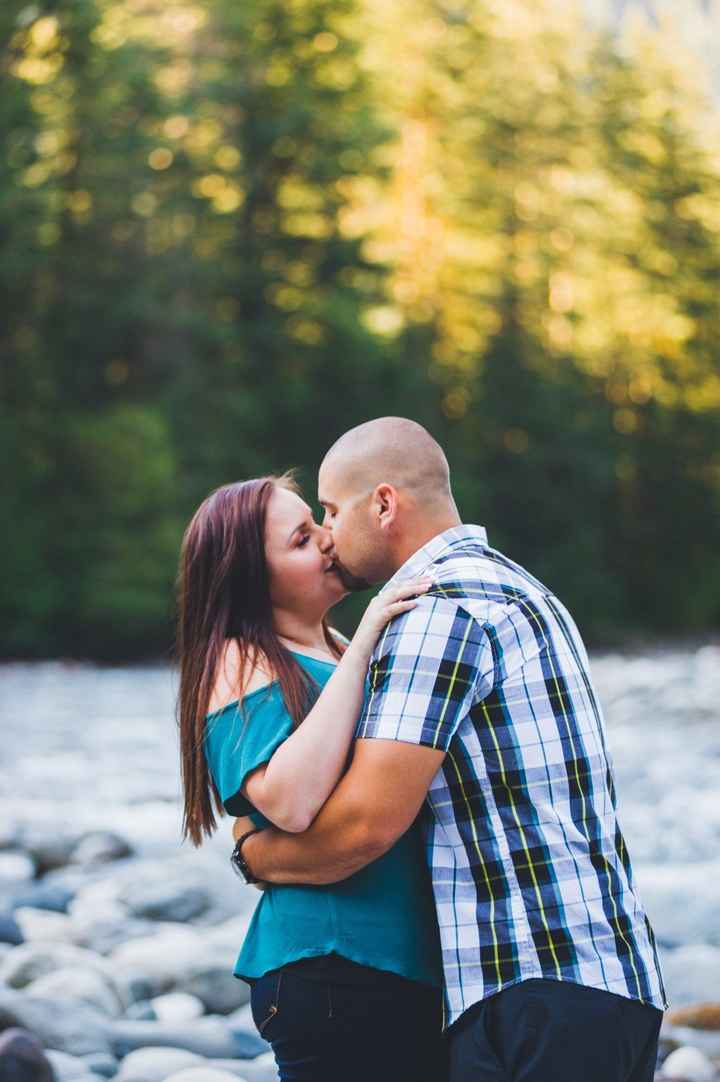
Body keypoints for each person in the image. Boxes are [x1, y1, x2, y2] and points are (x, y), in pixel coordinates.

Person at [233, 417, 667, 1082]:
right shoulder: (520, 588)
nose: (326, 534)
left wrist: (257, 855)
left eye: (330, 510)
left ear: (383, 504)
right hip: (601, 978)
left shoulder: (438, 608)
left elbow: (364, 826)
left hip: (536, 986)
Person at [175, 471, 448, 1082]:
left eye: (317, 523)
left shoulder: (330, 645)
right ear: (252, 580)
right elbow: (291, 803)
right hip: (334, 964)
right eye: (300, 540)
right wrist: (366, 644)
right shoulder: (240, 659)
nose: (327, 540)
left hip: (392, 962)